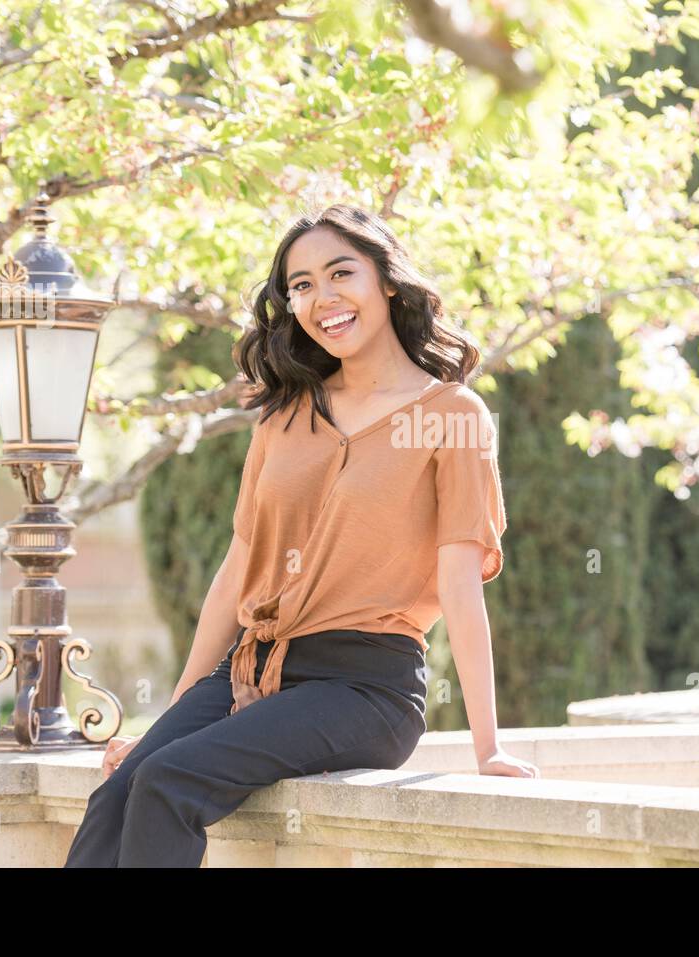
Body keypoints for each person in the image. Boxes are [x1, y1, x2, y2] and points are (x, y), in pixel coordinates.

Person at [64, 203, 539, 868]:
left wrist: (487, 747)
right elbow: (237, 570)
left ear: (388, 281)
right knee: (120, 787)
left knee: (169, 782)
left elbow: (460, 582)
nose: (323, 298)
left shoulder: (453, 415)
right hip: (250, 668)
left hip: (363, 690)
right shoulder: (285, 416)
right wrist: (171, 714)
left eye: (341, 273)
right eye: (302, 285)